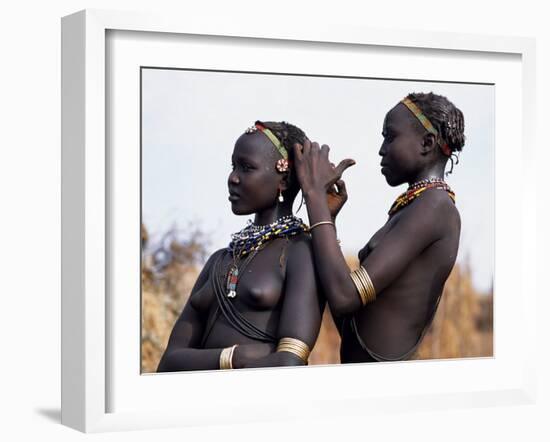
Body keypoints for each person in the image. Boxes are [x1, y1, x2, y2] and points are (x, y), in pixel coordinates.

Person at [293, 92, 465, 362]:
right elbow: (351, 323)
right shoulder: (415, 207)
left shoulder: (435, 208)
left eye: (390, 136)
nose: (381, 149)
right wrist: (328, 219)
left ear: (427, 142)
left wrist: (314, 197)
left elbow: (343, 296)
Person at [157, 121, 323, 372]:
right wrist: (235, 357)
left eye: (246, 168)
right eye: (233, 166)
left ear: (285, 180)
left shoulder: (300, 252)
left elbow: (290, 361)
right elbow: (169, 362)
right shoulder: (219, 260)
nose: (233, 178)